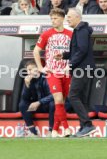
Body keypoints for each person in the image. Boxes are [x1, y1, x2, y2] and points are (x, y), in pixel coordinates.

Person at [55, 8, 96, 137]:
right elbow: (77, 51)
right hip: (84, 68)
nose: (67, 19)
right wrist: (64, 55)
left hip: (82, 69)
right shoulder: (79, 30)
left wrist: (71, 64)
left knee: (73, 96)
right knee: (81, 98)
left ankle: (88, 125)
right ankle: (84, 128)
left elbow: (82, 50)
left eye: (69, 17)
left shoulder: (81, 30)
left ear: (77, 17)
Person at [33, 8, 72, 137]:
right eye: (51, 18)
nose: (53, 21)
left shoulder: (70, 34)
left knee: (61, 102)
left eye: (55, 18)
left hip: (66, 72)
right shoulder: (46, 34)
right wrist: (40, 68)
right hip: (52, 72)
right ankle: (66, 128)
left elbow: (75, 52)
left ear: (62, 18)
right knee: (58, 99)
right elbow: (36, 51)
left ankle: (55, 130)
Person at [19, 60, 56, 137]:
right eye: (27, 70)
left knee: (53, 103)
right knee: (22, 104)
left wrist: (39, 102)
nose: (28, 73)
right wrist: (27, 85)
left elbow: (53, 95)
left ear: (37, 69)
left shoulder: (46, 77)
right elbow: (25, 98)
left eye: (30, 70)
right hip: (39, 106)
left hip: (47, 105)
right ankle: (33, 132)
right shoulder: (29, 80)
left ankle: (51, 130)